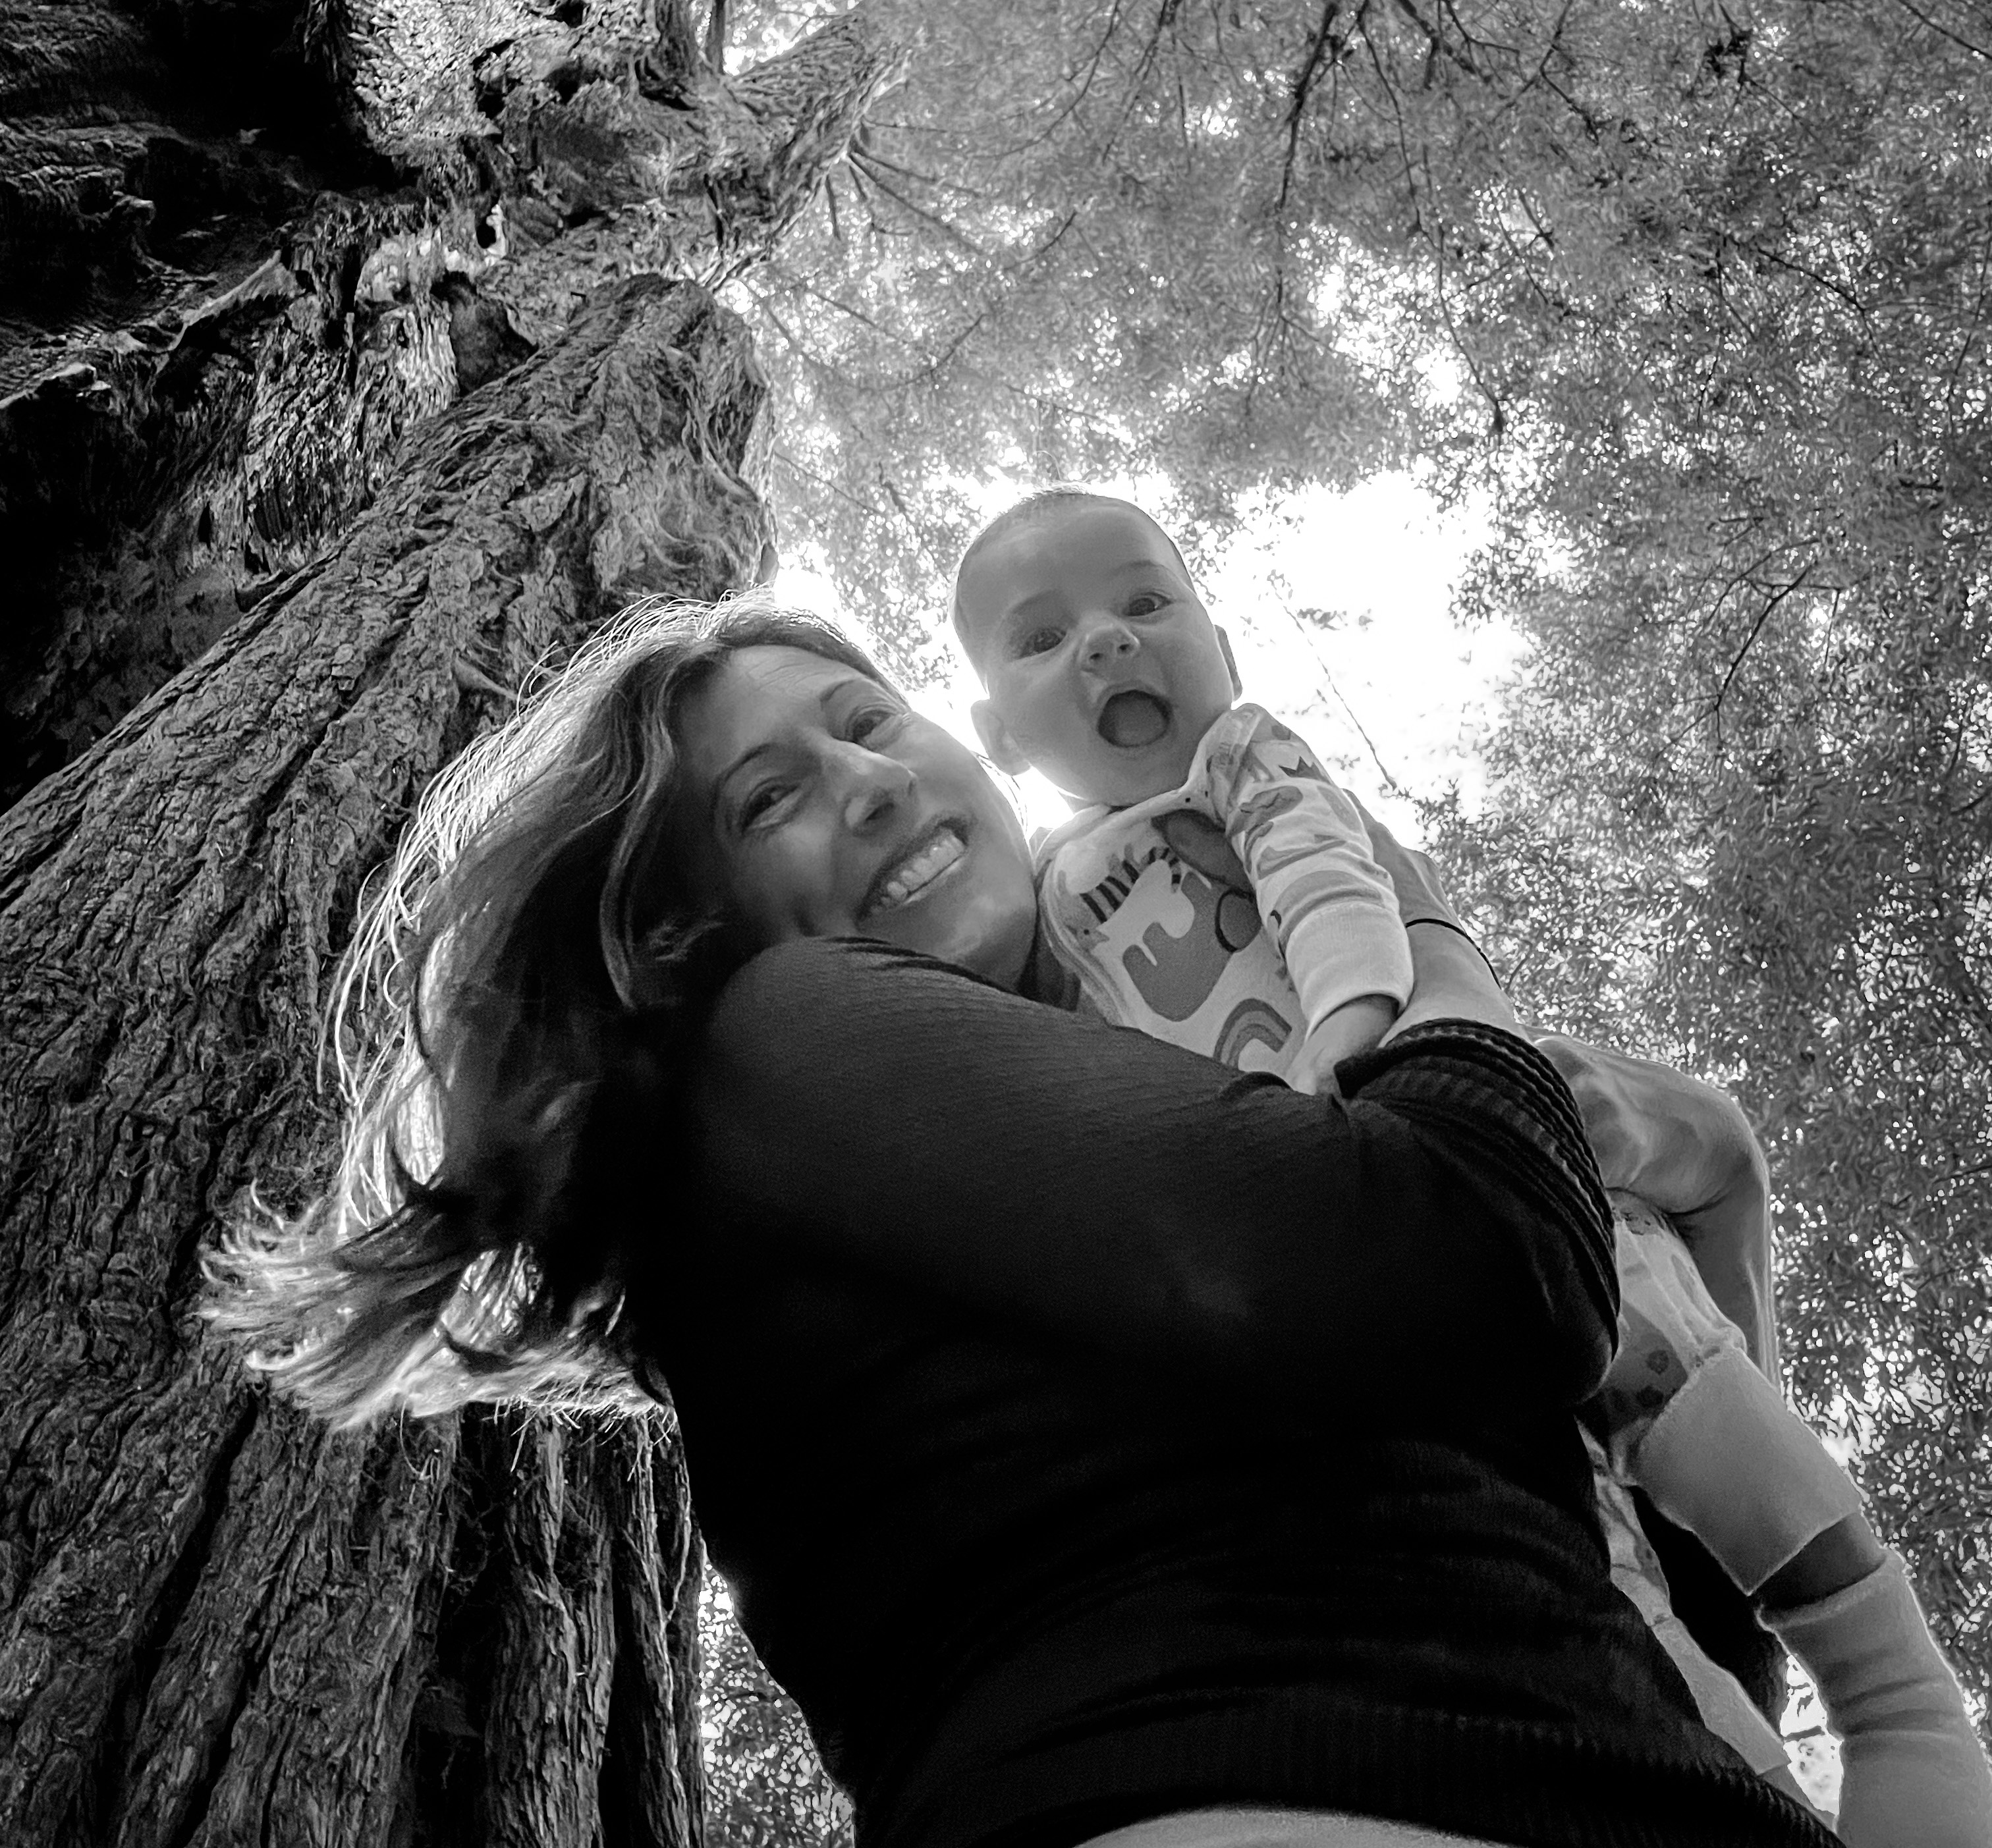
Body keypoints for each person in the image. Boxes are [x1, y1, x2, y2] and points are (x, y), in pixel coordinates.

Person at [210, 595, 1839, 1848]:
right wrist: (1408, 925)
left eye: (869, 719)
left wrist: (1730, 1191)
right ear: (686, 928)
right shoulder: (780, 1033)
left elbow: (1678, 1629)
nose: (861, 781)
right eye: (772, 795)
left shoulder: (1133, 1138)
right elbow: (1464, 1257)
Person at [951, 485, 1992, 1847]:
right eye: (1042, 639)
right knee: (1624, 1622)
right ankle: (1757, 1795)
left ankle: (1894, 1695)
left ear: (1223, 643)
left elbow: (1329, 887)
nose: (1104, 643)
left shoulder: (1246, 763)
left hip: (1543, 1211)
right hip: (1399, 1324)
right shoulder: (1038, 907)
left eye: (1145, 603)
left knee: (1772, 1504)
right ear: (992, 734)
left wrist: (1349, 1042)